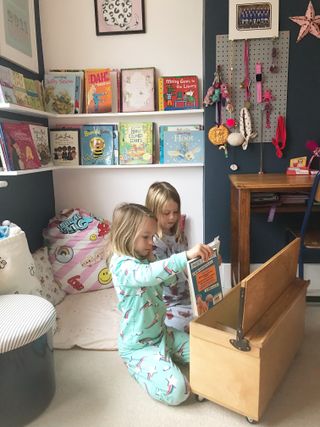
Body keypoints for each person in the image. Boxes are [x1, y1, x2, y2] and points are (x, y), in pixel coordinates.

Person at [109, 203, 213, 406]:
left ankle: (164, 360)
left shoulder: (147, 257)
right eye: (146, 237)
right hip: (138, 347)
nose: (151, 242)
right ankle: (139, 367)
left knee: (208, 353)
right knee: (179, 391)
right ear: (127, 235)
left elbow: (167, 280)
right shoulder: (121, 265)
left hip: (162, 334)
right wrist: (183, 257)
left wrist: (191, 268)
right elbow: (147, 275)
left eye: (152, 237)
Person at [145, 181, 192, 332]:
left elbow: (188, 263)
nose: (172, 217)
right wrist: (185, 271)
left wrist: (207, 263)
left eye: (176, 212)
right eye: (166, 213)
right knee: (181, 330)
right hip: (166, 306)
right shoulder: (149, 244)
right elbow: (158, 277)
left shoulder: (180, 236)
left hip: (188, 299)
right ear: (153, 212)